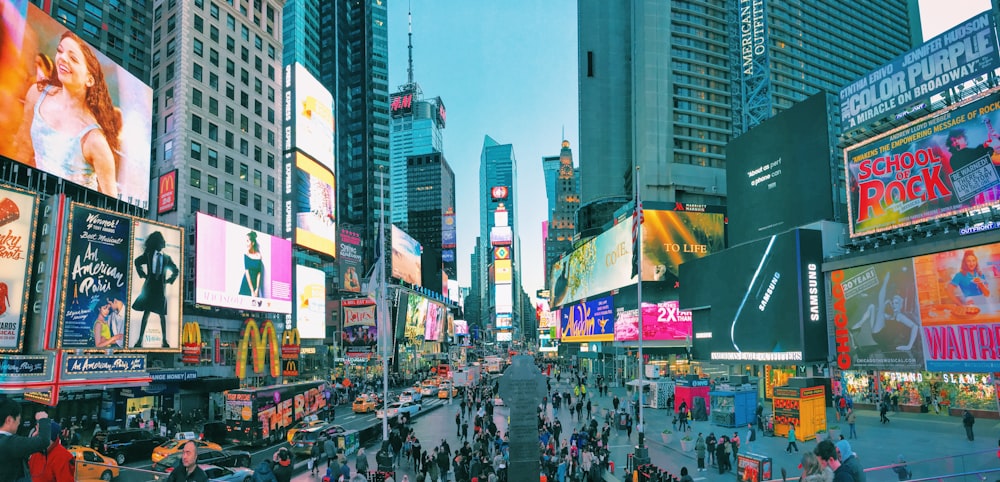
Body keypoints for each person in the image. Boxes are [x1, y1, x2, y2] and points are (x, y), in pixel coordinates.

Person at [15, 30, 123, 197]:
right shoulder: (36, 95)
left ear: (89, 79)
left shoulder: (95, 140)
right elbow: (23, 148)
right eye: (60, 51)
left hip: (71, 217)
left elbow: (112, 207)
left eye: (73, 58)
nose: (62, 58)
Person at [132, 231, 179, 348]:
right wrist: (142, 274)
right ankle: (140, 341)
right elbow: (137, 262)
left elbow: (176, 270)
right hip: (150, 286)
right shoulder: (148, 254)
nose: (164, 243)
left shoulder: (167, 258)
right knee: (146, 313)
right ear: (157, 243)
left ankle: (164, 341)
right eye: (162, 241)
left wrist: (169, 280)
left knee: (162, 314)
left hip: (160, 288)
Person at [240, 231, 264, 297]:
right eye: (246, 241)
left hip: (255, 285)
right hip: (246, 284)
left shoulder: (259, 256)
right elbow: (247, 272)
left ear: (252, 243)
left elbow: (259, 273)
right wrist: (252, 290)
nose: (246, 243)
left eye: (247, 241)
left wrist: (257, 289)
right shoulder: (246, 254)